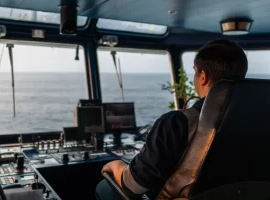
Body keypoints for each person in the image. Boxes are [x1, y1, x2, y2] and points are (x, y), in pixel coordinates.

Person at [96, 39, 248, 200]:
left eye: (195, 71)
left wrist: (116, 165)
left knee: (104, 187)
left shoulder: (177, 123)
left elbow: (134, 185)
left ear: (203, 77)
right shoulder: (256, 122)